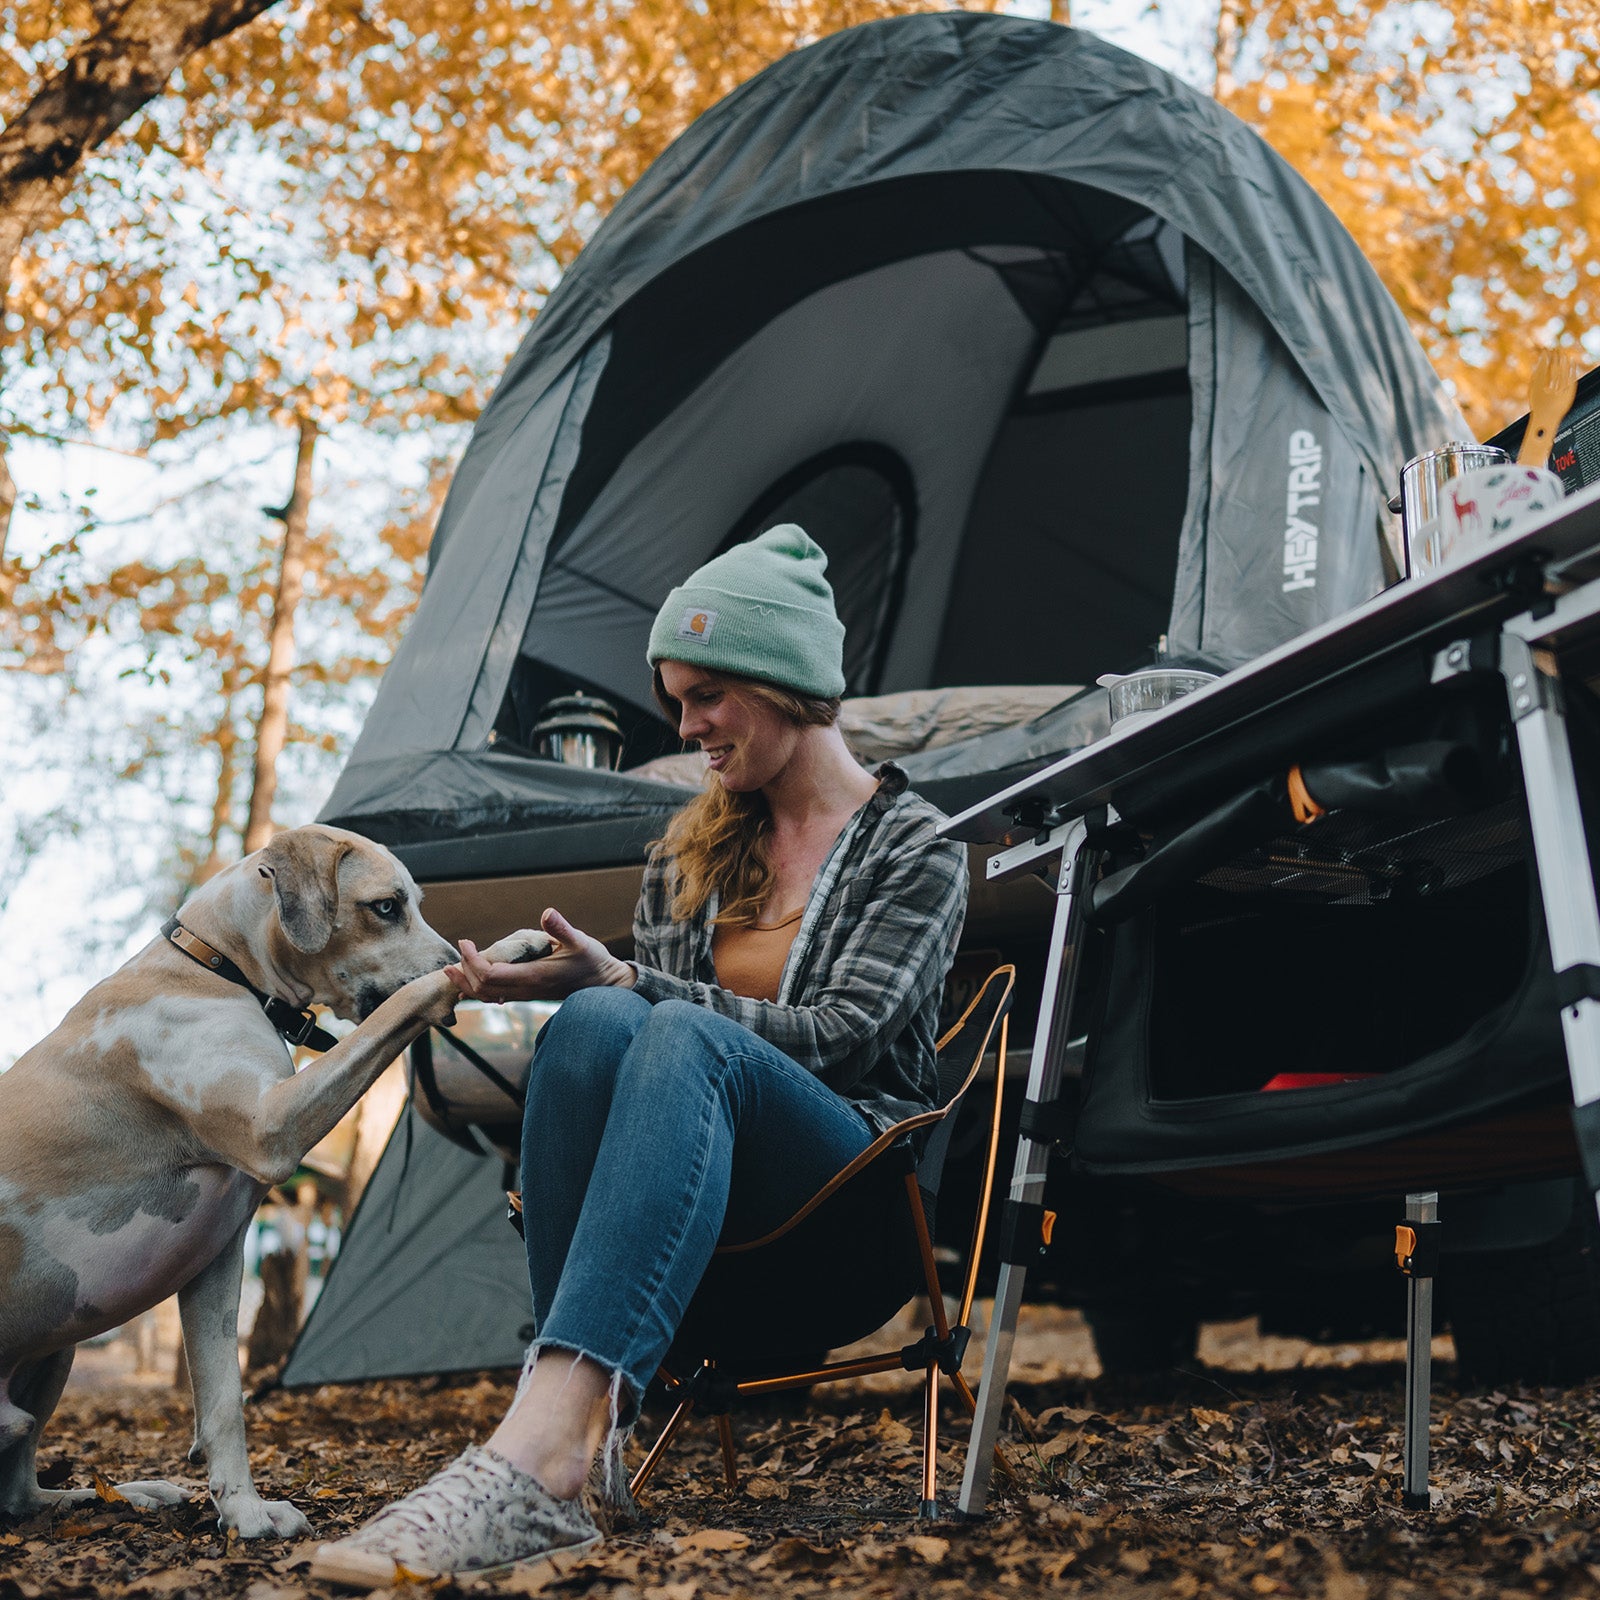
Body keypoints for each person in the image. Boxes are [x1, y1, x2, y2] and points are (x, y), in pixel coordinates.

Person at [311, 525, 968, 1586]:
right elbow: (640, 1018)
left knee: (666, 1023)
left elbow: (844, 1035)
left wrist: (636, 982)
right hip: (690, 1244)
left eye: (708, 693)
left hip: (848, 1214)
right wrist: (584, 985)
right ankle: (576, 1430)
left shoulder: (915, 849)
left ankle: (536, 1456)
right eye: (675, 699)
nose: (687, 725)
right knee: (597, 1026)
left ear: (789, 680)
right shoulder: (688, 851)